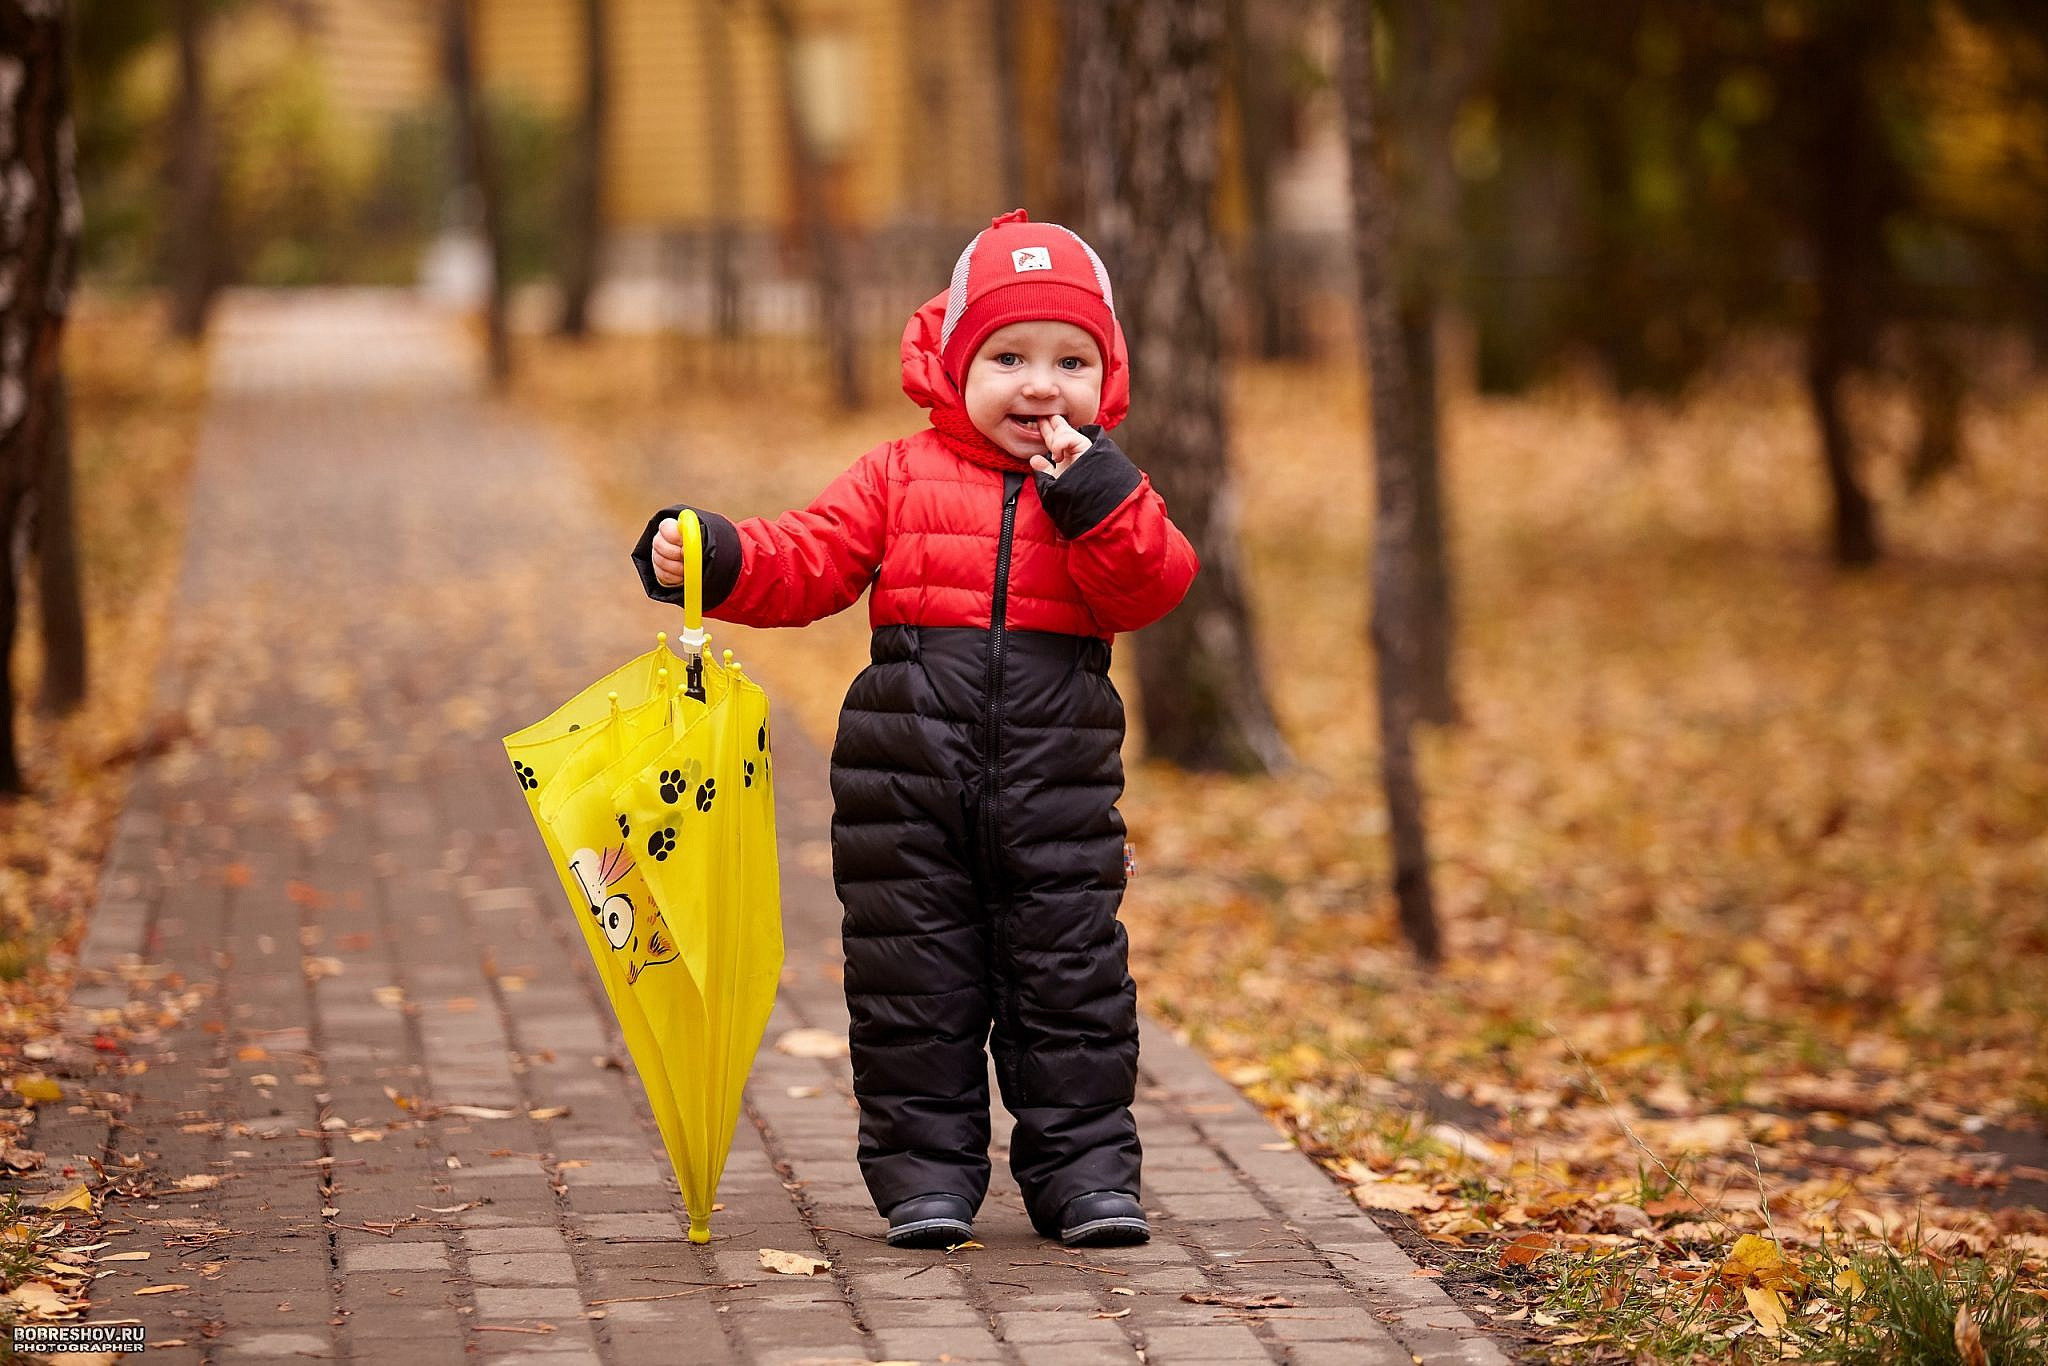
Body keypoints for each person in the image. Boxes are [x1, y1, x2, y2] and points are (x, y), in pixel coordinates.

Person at [632, 210, 1198, 1249]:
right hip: (903, 791)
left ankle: (1082, 1176)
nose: (1040, 386)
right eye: (1009, 357)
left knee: (1069, 988)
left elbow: (1151, 581)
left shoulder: (1098, 491)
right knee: (913, 991)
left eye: (1071, 361)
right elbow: (806, 557)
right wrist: (710, 554)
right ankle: (924, 1178)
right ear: (953, 364)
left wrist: (1096, 494)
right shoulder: (897, 477)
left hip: (1055, 791)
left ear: (1105, 381)